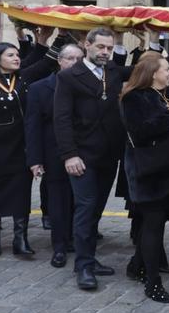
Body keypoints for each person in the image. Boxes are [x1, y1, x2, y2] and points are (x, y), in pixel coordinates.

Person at [54, 27, 134, 290]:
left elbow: (144, 69)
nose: (105, 52)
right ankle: (84, 265)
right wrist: (69, 155)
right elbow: (62, 119)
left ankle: (89, 256)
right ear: (86, 45)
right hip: (81, 155)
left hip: (108, 155)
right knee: (86, 207)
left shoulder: (112, 71)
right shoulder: (69, 77)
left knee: (96, 208)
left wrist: (158, 43)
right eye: (100, 47)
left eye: (109, 48)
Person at [0, 36, 58, 258]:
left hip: (21, 147)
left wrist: (60, 36)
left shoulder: (23, 80)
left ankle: (21, 238)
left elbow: (46, 63)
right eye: (11, 55)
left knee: (21, 194)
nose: (16, 58)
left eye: (18, 55)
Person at [119, 51, 169, 303]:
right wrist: (168, 115)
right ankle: (152, 281)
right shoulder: (133, 97)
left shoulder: (168, 94)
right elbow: (140, 132)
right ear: (152, 73)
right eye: (166, 69)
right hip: (147, 171)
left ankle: (137, 265)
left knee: (154, 223)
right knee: (153, 225)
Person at [26, 44, 84, 268]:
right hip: (54, 154)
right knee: (58, 202)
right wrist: (35, 159)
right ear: (60, 61)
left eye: (80, 59)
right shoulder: (40, 88)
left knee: (81, 201)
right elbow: (32, 127)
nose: (75, 63)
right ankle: (59, 245)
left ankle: (77, 239)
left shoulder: (92, 85)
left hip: (84, 152)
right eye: (70, 58)